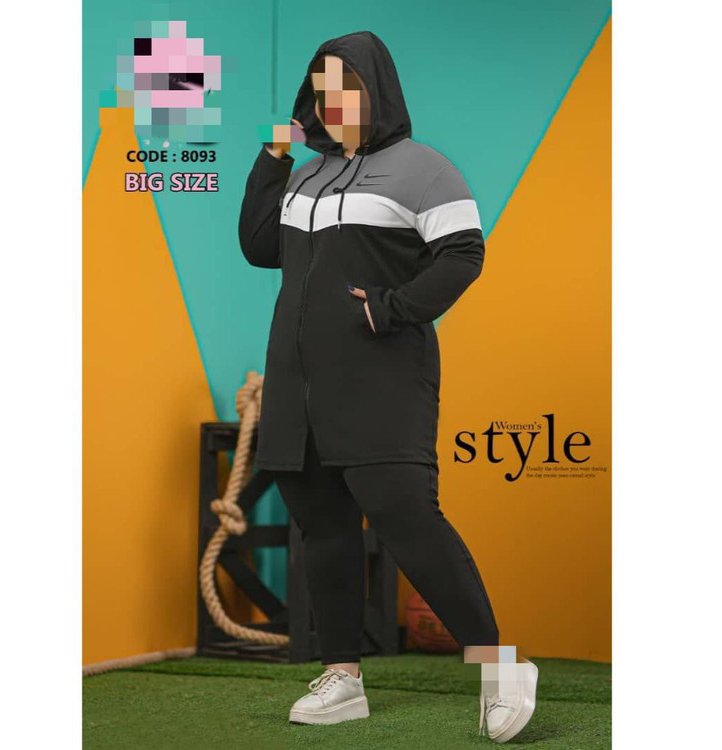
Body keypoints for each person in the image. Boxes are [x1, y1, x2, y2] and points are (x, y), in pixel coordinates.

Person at [239, 31, 537, 743]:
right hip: (297, 384)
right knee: (324, 526)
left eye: (347, 89)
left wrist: (389, 308)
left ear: (377, 92)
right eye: (321, 92)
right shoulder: (306, 175)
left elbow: (464, 254)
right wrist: (273, 157)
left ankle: (501, 668)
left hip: (382, 379)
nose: (333, 104)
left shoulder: (424, 169)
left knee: (407, 521)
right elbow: (258, 246)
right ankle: (343, 675)